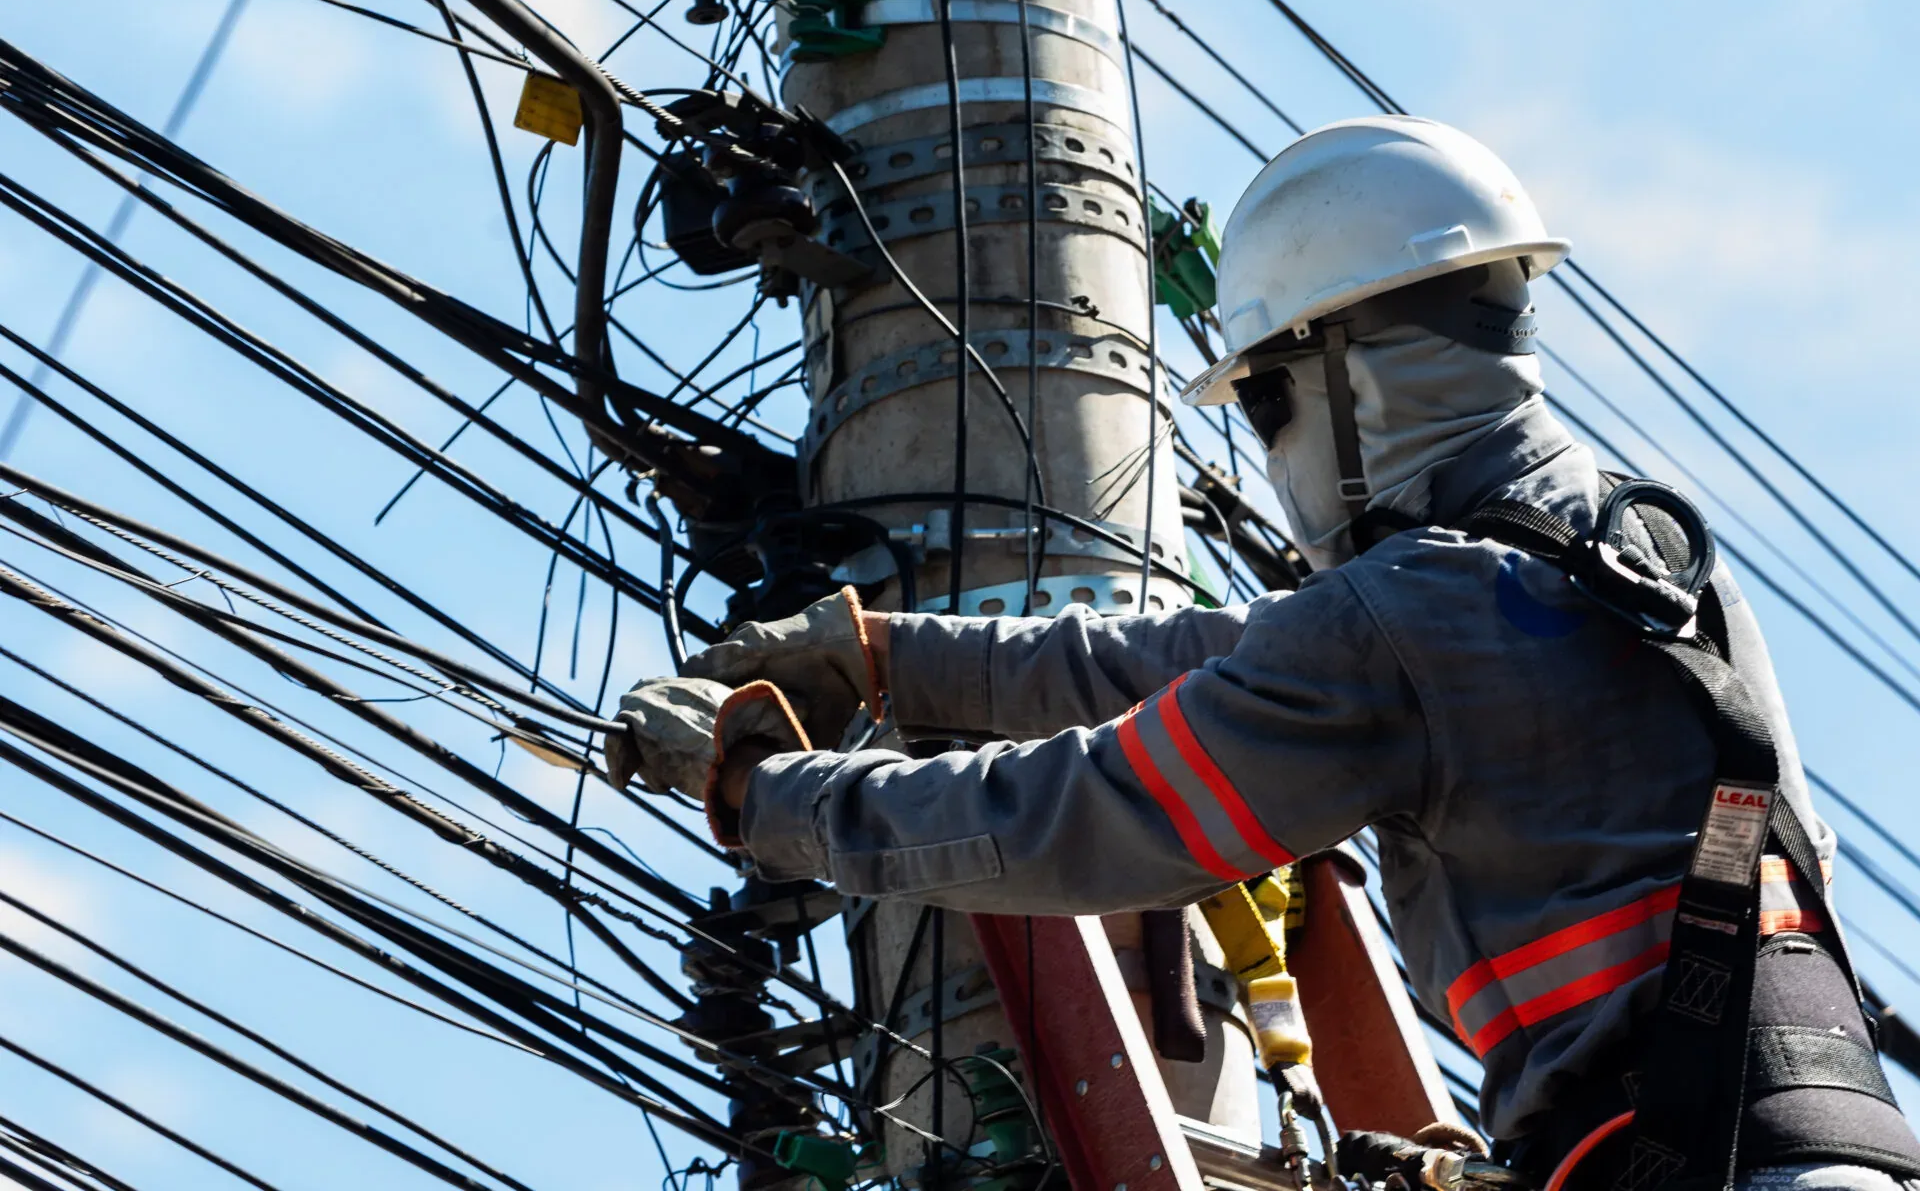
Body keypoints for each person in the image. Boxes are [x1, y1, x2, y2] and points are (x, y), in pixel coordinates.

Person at [608, 117, 1920, 1190]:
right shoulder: (1634, 558)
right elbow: (1208, 657)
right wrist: (877, 652)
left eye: (1271, 402)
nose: (1274, 450)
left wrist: (768, 799)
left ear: (1348, 381)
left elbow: (1088, 814)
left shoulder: (1414, 618)